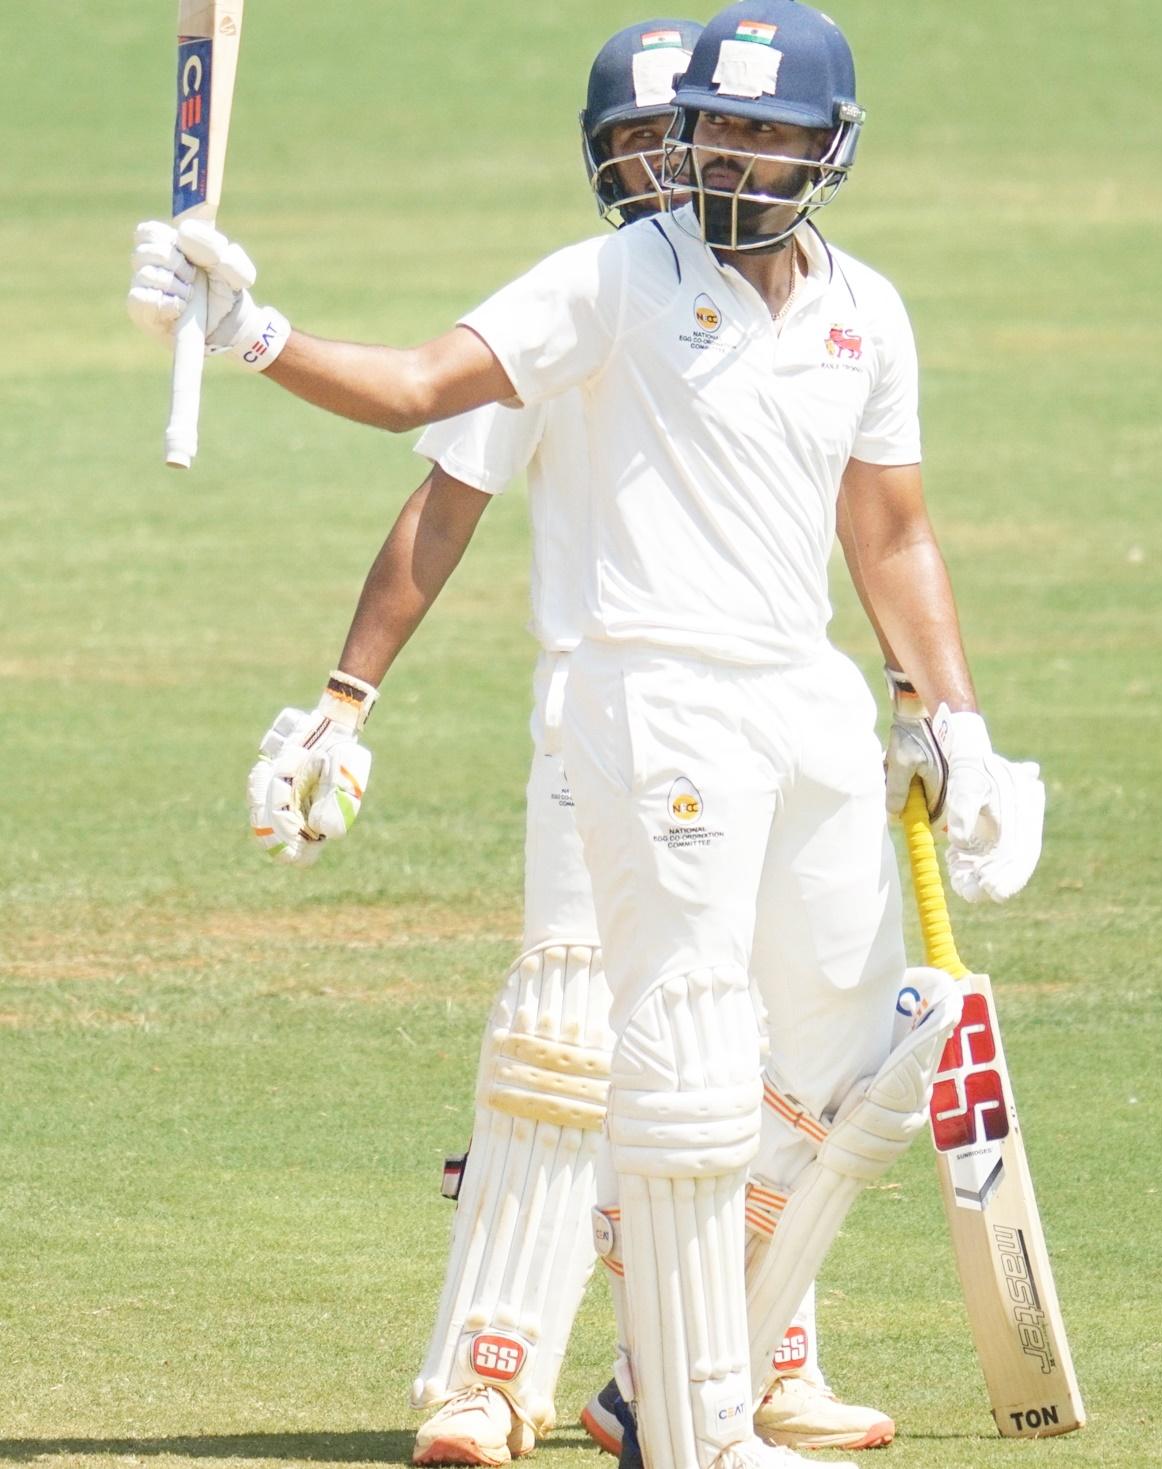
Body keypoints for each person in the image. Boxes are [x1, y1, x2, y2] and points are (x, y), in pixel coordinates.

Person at [126, 4, 1046, 1466]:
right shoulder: (616, 279)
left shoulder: (867, 308)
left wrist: (959, 723)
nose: (735, 159)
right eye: (717, 130)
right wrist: (253, 330)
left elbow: (892, 529)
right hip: (647, 694)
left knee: (849, 1060)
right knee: (673, 1047)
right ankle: (662, 1417)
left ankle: (710, 1362)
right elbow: (424, 398)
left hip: (801, 700)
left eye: (769, 134)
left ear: (831, 149)